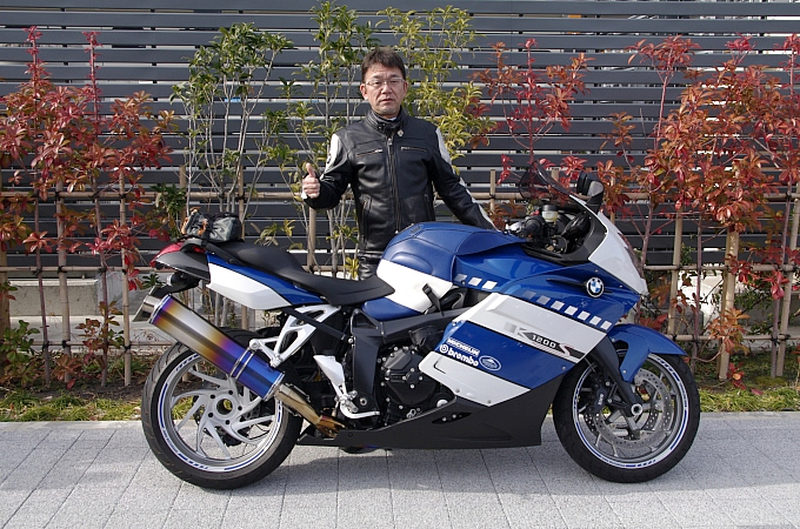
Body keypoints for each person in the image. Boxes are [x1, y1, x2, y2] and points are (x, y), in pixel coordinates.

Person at [302, 46, 495, 278]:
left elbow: (453, 190)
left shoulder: (427, 134)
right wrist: (315, 191)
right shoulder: (347, 139)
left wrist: (493, 234)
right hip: (374, 260)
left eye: (393, 81)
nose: (386, 89)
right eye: (377, 82)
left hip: (424, 255)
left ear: (404, 88)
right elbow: (330, 192)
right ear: (364, 91)